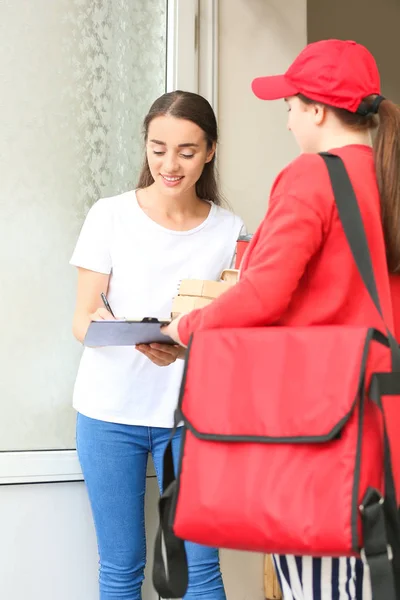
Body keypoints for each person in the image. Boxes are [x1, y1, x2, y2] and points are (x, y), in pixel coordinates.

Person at [163, 40, 400, 600]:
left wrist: (185, 330)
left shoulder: (311, 176)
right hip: (385, 418)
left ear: (317, 110)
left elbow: (265, 294)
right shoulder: (388, 176)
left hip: (328, 426)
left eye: (290, 107)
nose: (289, 121)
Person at [70, 90, 245, 600]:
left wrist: (184, 347)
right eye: (157, 148)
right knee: (122, 568)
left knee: (199, 572)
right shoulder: (109, 215)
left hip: (189, 418)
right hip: (108, 413)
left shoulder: (230, 232)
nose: (169, 164)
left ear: (210, 151)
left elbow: (230, 334)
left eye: (186, 152)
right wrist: (118, 330)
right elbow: (81, 319)